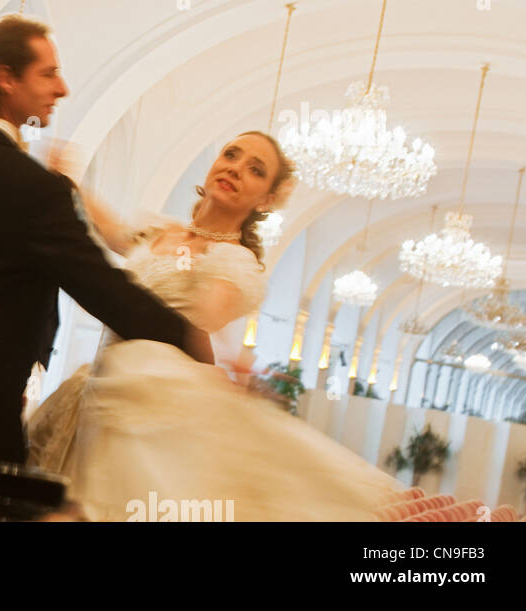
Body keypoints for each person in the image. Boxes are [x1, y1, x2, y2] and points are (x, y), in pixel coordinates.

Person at [0, 14, 212, 521]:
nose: (63, 87)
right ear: (6, 79)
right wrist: (187, 338)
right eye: (48, 74)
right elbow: (99, 286)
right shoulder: (33, 187)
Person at [26, 130, 404, 521]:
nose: (236, 168)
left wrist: (229, 356)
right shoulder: (160, 231)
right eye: (231, 154)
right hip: (92, 391)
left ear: (266, 199)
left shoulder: (234, 260)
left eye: (255, 170)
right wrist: (69, 178)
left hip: (150, 400)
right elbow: (115, 234)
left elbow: (198, 320)